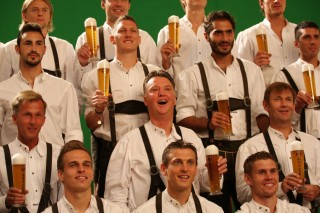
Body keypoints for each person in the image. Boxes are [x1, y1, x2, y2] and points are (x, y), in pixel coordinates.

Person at [176, 10, 269, 213]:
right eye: (218, 33)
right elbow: (182, 117)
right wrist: (207, 123)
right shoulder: (192, 74)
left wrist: (267, 143)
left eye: (228, 33)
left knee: (256, 208)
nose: (224, 39)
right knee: (214, 208)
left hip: (248, 151)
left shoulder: (252, 70)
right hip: (213, 153)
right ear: (206, 36)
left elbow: (261, 112)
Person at [105, 70, 227, 211]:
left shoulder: (191, 137)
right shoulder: (128, 142)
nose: (161, 93)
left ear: (175, 98)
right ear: (145, 100)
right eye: (154, 90)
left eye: (167, 89)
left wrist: (216, 173)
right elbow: (115, 198)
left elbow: (203, 184)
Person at [81, 15, 159, 197]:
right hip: (110, 152)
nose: (128, 34)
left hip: (147, 151)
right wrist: (99, 111)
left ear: (139, 39)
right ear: (111, 38)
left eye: (133, 31)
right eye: (122, 30)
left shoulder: (155, 73)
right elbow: (92, 124)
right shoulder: (94, 76)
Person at [236, 82, 320, 212]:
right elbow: (242, 195)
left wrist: (317, 190)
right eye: (278, 99)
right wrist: (281, 188)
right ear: (265, 105)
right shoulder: (250, 147)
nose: (284, 104)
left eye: (288, 99)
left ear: (293, 105)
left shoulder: (313, 143)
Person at [0, 23, 82, 146]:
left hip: (53, 163)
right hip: (12, 163)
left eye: (38, 44)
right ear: (17, 49)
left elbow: (73, 133)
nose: (33, 49)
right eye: (28, 43)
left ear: (44, 50)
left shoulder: (64, 88)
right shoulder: (2, 90)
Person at [75, 0, 157, 101]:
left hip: (141, 107)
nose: (119, 3)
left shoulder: (145, 38)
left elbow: (156, 80)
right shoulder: (86, 38)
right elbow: (80, 86)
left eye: (123, 0)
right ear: (103, 3)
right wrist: (83, 64)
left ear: (129, 5)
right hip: (103, 111)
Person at [0, 90, 63, 213]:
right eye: (27, 115)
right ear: (14, 118)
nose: (33, 122)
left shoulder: (59, 154)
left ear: (44, 120)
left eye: (38, 115)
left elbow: (67, 201)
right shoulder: (1, 155)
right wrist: (6, 201)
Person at [133, 141, 224, 213]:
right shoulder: (143, 211)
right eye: (177, 162)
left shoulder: (214, 211)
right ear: (164, 169)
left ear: (196, 169)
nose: (185, 169)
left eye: (190, 163)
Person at [42, 141, 129, 213]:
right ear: (61, 175)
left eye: (86, 165)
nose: (81, 169)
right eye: (73, 165)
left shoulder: (113, 211)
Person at [0, 0, 76, 83]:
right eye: (35, 10)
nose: (40, 13)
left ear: (50, 16)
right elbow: (2, 87)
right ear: (24, 15)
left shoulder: (65, 48)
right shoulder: (8, 49)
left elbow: (72, 88)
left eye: (44, 10)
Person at [271, 21, 320, 139]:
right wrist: (297, 106)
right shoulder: (283, 76)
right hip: (299, 143)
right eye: (307, 37)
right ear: (296, 43)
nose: (313, 41)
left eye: (316, 37)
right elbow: (276, 119)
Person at [236, 0, 299, 86]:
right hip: (264, 97)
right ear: (261, 3)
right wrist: (253, 66)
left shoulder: (301, 33)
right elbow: (239, 77)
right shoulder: (248, 36)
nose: (276, 1)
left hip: (300, 97)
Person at [236, 151, 310, 213]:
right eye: (262, 172)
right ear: (248, 179)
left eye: (273, 171)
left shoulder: (300, 211)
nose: (269, 177)